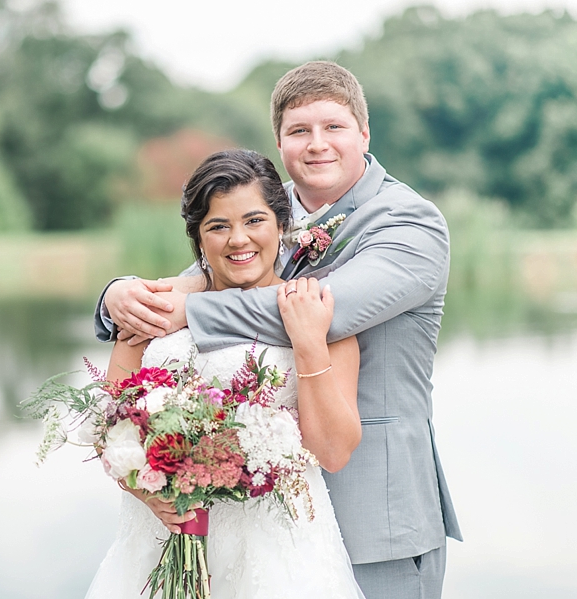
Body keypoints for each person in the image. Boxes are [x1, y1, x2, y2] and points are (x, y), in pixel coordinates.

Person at [95, 62, 462, 599]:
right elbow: (204, 276)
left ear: (364, 131)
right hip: (238, 520)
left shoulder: (410, 223)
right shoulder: (262, 208)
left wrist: (187, 314)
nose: (317, 145)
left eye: (333, 127)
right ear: (280, 142)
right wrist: (119, 298)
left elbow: (321, 310)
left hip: (374, 512)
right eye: (299, 131)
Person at [86, 148, 365, 598]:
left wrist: (309, 344)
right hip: (161, 538)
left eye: (255, 220)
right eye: (218, 226)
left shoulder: (316, 314)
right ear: (197, 237)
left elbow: (332, 453)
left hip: (275, 549)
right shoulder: (154, 314)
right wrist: (147, 488)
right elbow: (110, 427)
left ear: (281, 224)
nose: (239, 239)